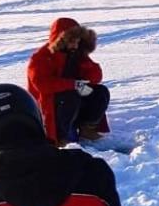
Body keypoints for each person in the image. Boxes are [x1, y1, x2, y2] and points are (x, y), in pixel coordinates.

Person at [28, 17, 110, 145]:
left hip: (72, 98)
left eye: (78, 42)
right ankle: (61, 137)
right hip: (49, 102)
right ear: (61, 40)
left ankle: (87, 128)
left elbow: (96, 76)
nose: (75, 46)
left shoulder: (76, 53)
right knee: (70, 97)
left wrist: (85, 72)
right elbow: (41, 85)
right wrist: (73, 85)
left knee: (100, 92)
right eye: (72, 42)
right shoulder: (41, 57)